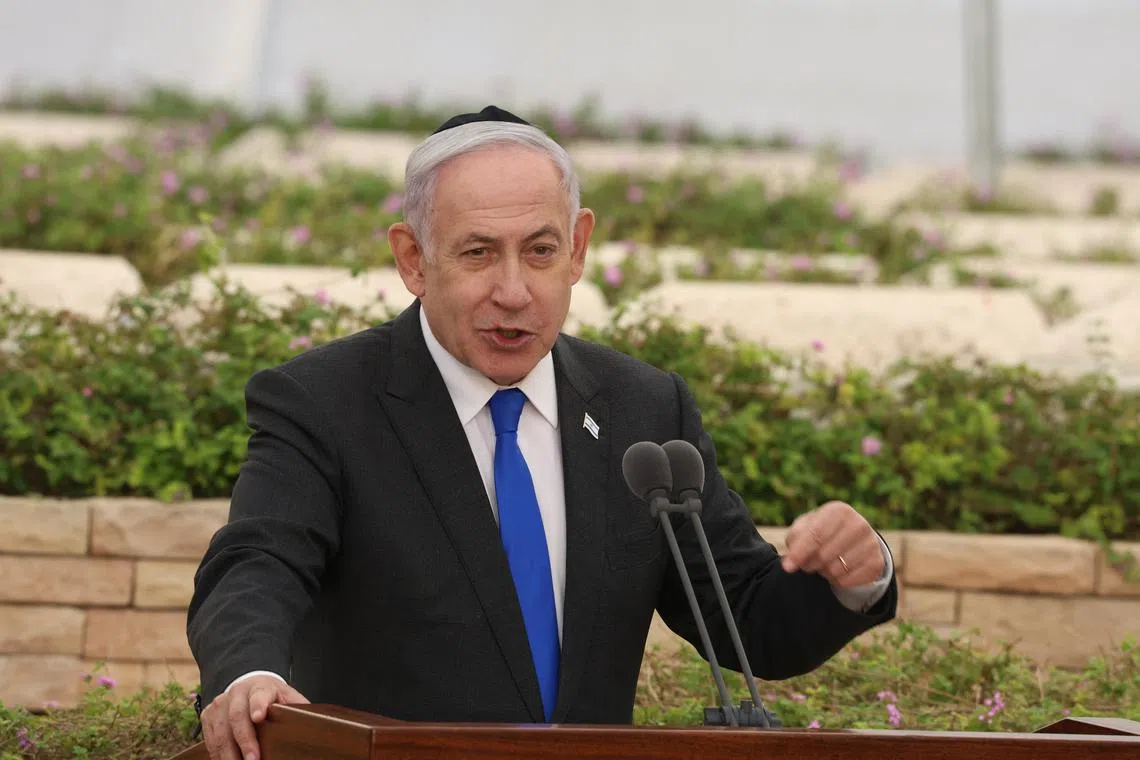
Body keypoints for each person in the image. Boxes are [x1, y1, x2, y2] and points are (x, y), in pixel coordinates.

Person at [186, 105, 898, 760]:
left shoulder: (643, 410)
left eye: (539, 250)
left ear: (579, 247)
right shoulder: (323, 402)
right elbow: (257, 565)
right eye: (476, 253)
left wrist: (852, 576)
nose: (514, 291)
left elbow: (743, 616)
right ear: (412, 259)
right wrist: (251, 674)